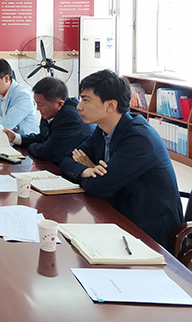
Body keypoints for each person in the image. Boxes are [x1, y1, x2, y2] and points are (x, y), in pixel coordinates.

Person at [60, 69, 183, 248]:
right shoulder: (103, 129)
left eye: (85, 100)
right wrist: (87, 171)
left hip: (148, 230)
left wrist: (93, 174)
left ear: (110, 105)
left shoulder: (139, 138)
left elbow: (98, 187)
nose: (79, 106)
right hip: (116, 213)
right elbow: (66, 160)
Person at [3, 77, 94, 164]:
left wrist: (31, 146)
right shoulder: (51, 112)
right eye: (36, 103)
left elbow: (47, 152)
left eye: (41, 105)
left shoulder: (70, 119)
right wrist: (16, 138)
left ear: (59, 104)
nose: (37, 108)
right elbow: (43, 137)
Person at [0, 59, 38, 136]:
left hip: (25, 140)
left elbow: (6, 125)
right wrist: (0, 121)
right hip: (3, 137)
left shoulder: (23, 96)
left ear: (6, 78)